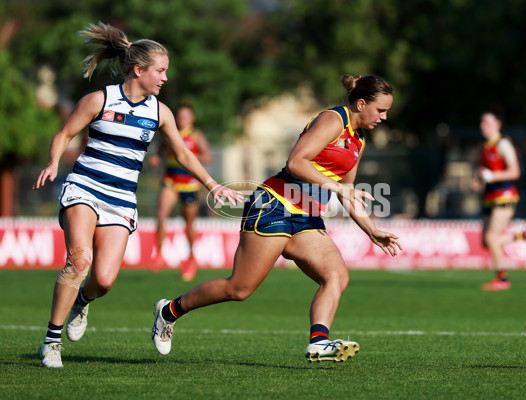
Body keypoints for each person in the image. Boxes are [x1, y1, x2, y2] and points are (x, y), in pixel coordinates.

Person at [150, 74, 402, 363]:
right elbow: (297, 162)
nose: (384, 117)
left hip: (307, 217)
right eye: (381, 110)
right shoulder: (333, 121)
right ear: (361, 103)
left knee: (336, 276)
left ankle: (319, 342)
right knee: (239, 289)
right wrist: (332, 186)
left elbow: (346, 190)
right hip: (274, 206)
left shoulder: (358, 141)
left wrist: (371, 230)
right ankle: (168, 311)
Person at [32, 22, 241, 368]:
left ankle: (82, 302)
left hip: (120, 201)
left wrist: (213, 185)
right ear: (139, 69)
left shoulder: (160, 113)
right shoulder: (99, 99)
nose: (165, 78)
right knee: (79, 260)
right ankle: (51, 342)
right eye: (160, 71)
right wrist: (54, 162)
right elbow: (64, 133)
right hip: (84, 187)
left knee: (104, 280)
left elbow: (185, 155)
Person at [471, 111, 526, 291]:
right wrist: (478, 181)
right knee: (487, 242)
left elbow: (515, 172)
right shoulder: (485, 146)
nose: (483, 126)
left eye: (487, 122)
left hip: (505, 195)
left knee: (492, 237)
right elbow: (484, 172)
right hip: (489, 197)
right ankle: (521, 235)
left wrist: (491, 176)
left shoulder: (503, 144)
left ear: (497, 125)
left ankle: (502, 279)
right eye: (482, 123)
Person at [148, 100, 214, 281]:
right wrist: (155, 158)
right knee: (161, 215)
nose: (182, 119)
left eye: (186, 116)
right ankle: (160, 253)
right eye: (180, 116)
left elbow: (208, 157)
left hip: (189, 184)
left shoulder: (196, 135)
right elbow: (162, 149)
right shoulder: (171, 132)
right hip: (170, 180)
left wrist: (189, 154)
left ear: (191, 118)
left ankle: (191, 259)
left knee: (188, 224)